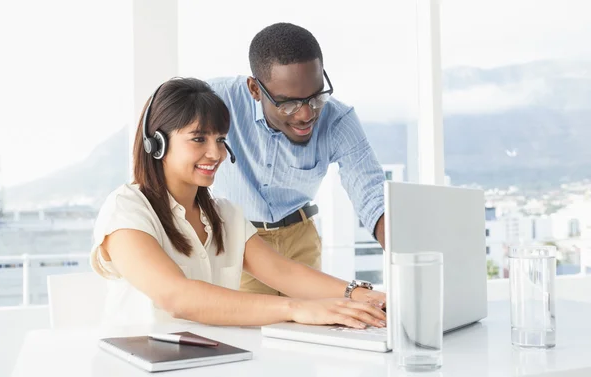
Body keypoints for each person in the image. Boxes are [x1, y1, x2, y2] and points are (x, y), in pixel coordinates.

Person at [89, 77, 386, 329]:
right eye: (198, 139)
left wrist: (361, 295)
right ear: (157, 143)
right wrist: (295, 309)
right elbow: (177, 297)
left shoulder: (223, 214)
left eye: (219, 139)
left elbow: (283, 273)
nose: (215, 153)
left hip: (207, 362)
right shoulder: (126, 210)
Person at [208, 23, 387, 296]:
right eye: (288, 103)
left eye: (315, 97)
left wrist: (409, 260)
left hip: (301, 238)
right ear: (255, 89)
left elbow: (373, 194)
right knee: (248, 335)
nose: (306, 115)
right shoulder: (215, 101)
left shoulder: (338, 120)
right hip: (237, 242)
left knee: (309, 331)